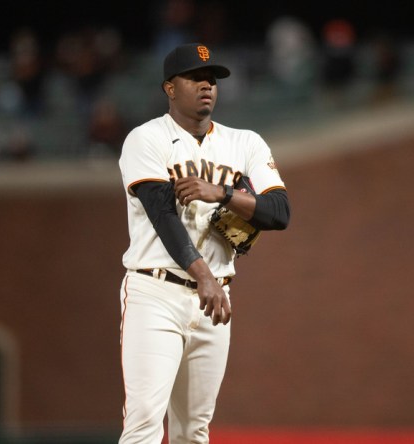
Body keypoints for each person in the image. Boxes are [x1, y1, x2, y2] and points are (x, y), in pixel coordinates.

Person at [118, 43, 290, 444]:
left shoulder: (245, 143)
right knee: (144, 421)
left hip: (215, 299)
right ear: (170, 89)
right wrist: (203, 275)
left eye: (212, 79)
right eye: (195, 78)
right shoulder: (146, 138)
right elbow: (163, 217)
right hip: (155, 291)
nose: (207, 85)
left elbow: (280, 211)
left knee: (193, 432)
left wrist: (225, 195)